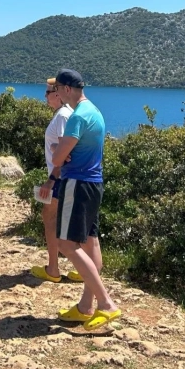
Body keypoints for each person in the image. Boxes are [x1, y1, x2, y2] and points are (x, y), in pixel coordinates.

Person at [42, 69, 121, 331]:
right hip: (94, 184)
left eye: (57, 90)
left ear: (65, 89)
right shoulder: (95, 112)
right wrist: (63, 152)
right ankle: (86, 306)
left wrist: (57, 150)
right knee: (90, 242)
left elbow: (57, 158)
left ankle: (105, 303)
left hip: (76, 184)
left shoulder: (77, 118)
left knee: (66, 243)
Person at [30, 82, 78, 284]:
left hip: (61, 177)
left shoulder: (63, 116)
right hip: (63, 177)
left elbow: (64, 153)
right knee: (62, 219)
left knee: (52, 217)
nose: (45, 96)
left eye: (48, 93)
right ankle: (70, 267)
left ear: (58, 94)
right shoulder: (63, 114)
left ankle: (54, 268)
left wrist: (51, 180)